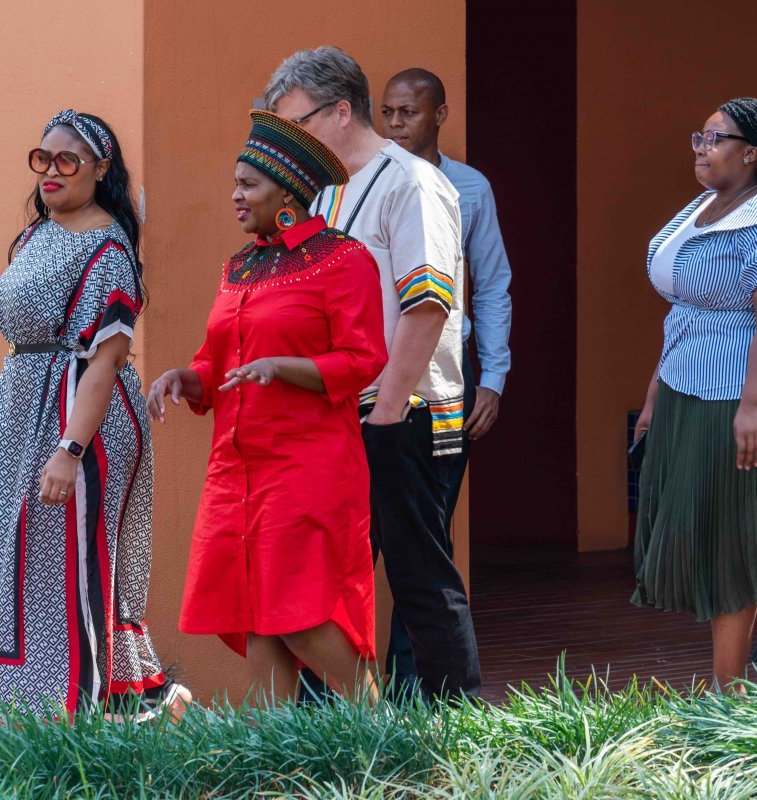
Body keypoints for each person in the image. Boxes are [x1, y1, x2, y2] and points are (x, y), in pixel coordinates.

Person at [147, 110, 387, 703]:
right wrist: (185, 379)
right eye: (235, 183)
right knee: (256, 614)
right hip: (236, 470)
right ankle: (271, 751)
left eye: (248, 185)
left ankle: (382, 731)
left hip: (308, 467)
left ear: (287, 194)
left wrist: (285, 368)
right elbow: (218, 365)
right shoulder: (239, 266)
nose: (235, 195)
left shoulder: (343, 259)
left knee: (299, 615)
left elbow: (363, 359)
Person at [265, 46, 478, 699]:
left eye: (296, 122)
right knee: (324, 575)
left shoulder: (412, 182)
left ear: (339, 111)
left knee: (418, 574)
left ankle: (452, 722)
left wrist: (386, 414)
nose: (288, 139)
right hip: (338, 412)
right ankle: (331, 722)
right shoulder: (323, 190)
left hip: (404, 410)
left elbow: (428, 304)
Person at [0, 110, 189, 720]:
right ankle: (32, 715)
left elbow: (106, 359)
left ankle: (83, 717)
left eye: (67, 160)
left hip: (79, 415)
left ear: (100, 169)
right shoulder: (37, 235)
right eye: (42, 158)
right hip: (25, 406)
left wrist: (70, 450)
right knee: (27, 562)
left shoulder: (109, 248)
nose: (51, 170)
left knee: (70, 566)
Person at [632, 97, 757, 690]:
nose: (701, 148)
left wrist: (751, 406)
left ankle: (726, 699)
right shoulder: (702, 207)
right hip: (689, 386)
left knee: (726, 542)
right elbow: (684, 313)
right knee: (702, 533)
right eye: (700, 136)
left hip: (747, 395)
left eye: (716, 139)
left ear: (750, 153)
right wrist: (655, 395)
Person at [378, 68, 513, 690]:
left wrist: (494, 378)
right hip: (372, 380)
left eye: (407, 112)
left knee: (427, 534)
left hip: (448, 381)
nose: (395, 124)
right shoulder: (364, 183)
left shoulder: (470, 188)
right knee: (363, 536)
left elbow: (492, 285)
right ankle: (342, 699)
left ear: (440, 115)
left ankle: (416, 691)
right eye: (387, 112)